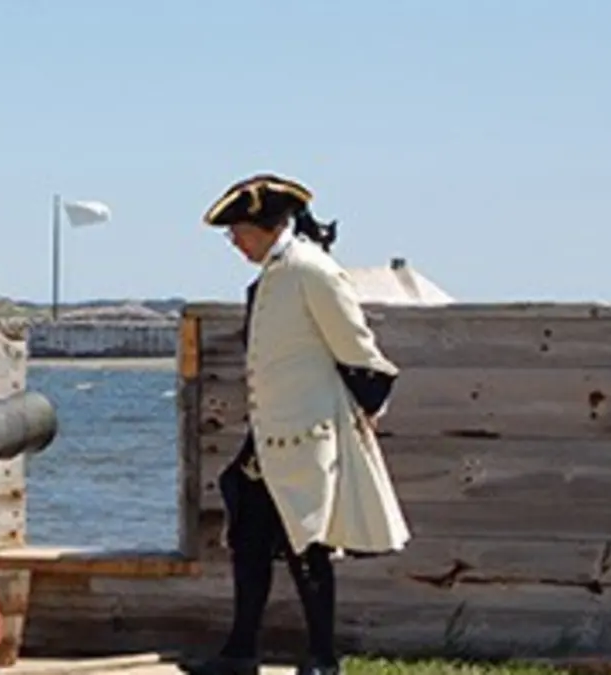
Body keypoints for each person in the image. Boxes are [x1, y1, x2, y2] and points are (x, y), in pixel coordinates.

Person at [183, 174, 411, 675]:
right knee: (248, 538)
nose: (235, 242)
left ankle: (323, 661)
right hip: (268, 436)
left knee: (309, 546)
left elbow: (360, 353)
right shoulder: (276, 271)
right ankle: (241, 654)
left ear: (266, 226)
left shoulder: (312, 271)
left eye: (238, 231)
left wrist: (363, 414)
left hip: (309, 435)